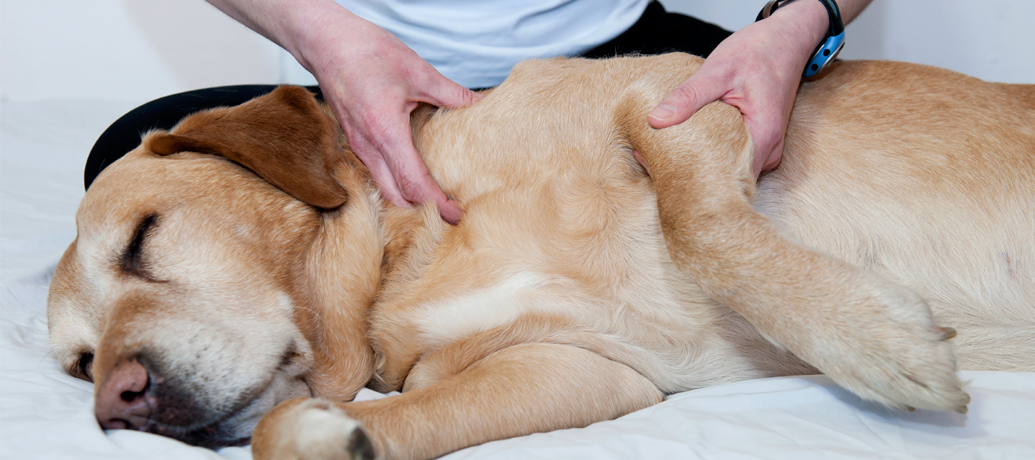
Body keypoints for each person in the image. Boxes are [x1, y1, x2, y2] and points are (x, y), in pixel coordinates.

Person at [86, 0, 872, 224]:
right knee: (128, 165)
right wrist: (319, 33)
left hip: (619, 59)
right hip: (374, 81)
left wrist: (798, 23)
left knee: (855, 147)